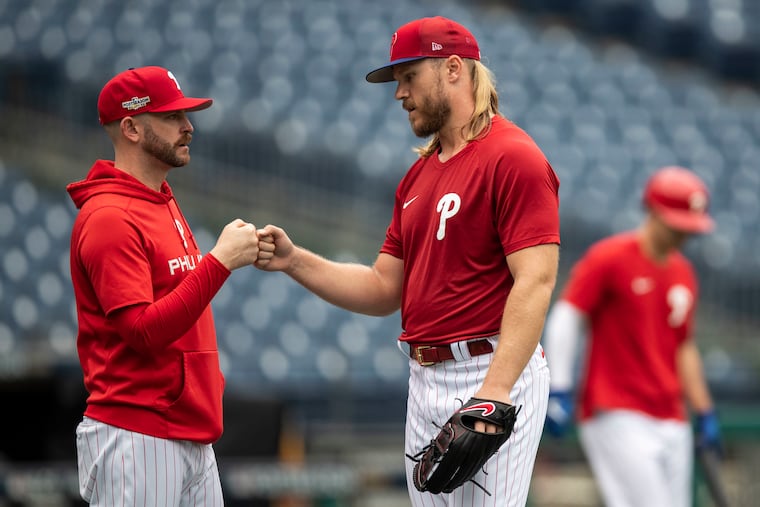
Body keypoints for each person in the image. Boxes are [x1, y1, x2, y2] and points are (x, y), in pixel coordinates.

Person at [255, 16, 560, 506]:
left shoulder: (514, 157)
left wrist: (496, 393)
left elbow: (536, 281)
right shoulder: (417, 177)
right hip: (425, 376)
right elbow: (382, 288)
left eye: (409, 76)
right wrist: (295, 261)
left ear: (454, 69)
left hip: (493, 367)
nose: (399, 93)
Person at [66, 66, 272, 506]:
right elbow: (141, 332)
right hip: (136, 432)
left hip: (188, 431)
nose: (188, 127)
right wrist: (218, 262)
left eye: (186, 115)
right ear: (131, 128)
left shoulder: (160, 197)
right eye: (171, 117)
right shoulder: (108, 216)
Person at [542, 166, 723, 507]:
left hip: (671, 413)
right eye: (677, 225)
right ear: (654, 212)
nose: (683, 236)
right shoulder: (610, 257)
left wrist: (705, 410)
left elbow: (684, 346)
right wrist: (560, 387)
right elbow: (568, 316)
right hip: (616, 410)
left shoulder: (683, 272)